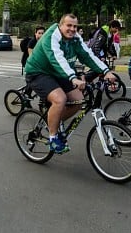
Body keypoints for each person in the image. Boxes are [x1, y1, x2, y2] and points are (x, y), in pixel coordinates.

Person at [23, 14, 117, 154]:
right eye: (69, 25)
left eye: (75, 26)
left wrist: (106, 71)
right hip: (38, 72)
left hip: (58, 72)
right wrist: (73, 78)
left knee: (78, 101)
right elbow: (57, 59)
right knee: (60, 99)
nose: (72, 29)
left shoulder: (75, 38)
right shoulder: (52, 37)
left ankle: (53, 121)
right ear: (61, 25)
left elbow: (88, 55)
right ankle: (53, 138)